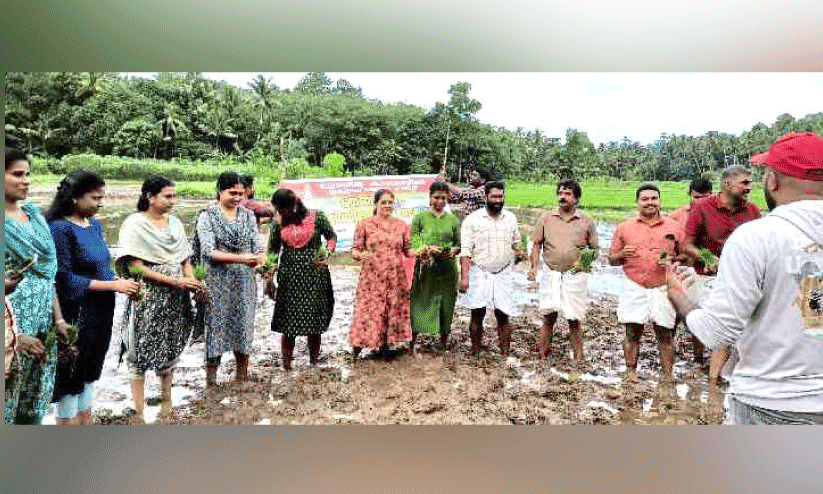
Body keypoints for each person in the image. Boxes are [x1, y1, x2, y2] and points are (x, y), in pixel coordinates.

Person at [667, 131, 823, 424]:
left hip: (769, 402)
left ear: (773, 180)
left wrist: (680, 298)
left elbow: (717, 332)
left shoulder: (756, 235)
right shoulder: (715, 214)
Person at [46, 170, 140, 425]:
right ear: (75, 198)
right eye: (95, 198)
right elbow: (63, 278)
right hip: (76, 309)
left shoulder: (95, 225)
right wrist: (112, 285)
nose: (100, 203)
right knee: (71, 372)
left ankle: (86, 421)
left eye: (102, 198)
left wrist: (122, 283)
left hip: (101, 308)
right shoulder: (60, 229)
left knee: (90, 369)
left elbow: (103, 266)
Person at [116, 176, 202, 422]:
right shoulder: (134, 225)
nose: (172, 201)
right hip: (148, 298)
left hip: (176, 299)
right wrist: (175, 281)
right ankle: (139, 410)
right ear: (149, 196)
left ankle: (166, 401)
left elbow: (185, 259)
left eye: (174, 196)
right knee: (139, 351)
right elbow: (136, 268)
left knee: (170, 345)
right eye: (167, 196)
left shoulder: (174, 224)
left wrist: (193, 283)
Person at [4, 149, 70, 424]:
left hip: (42, 321)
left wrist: (59, 319)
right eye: (17, 174)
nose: (25, 181)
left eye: (28, 174)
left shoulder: (35, 216)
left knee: (34, 402)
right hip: (10, 326)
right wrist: (12, 338)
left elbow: (47, 276)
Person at [682, 165, 761, 384]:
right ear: (727, 184)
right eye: (744, 183)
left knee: (730, 329)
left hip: (739, 277)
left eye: (750, 182)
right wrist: (708, 258)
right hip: (707, 275)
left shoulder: (752, 211)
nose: (749, 187)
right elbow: (687, 244)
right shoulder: (703, 208)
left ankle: (717, 378)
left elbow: (760, 245)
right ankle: (698, 362)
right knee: (703, 321)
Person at [197, 172, 264, 385]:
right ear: (219, 191)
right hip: (217, 281)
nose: (237, 197)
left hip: (245, 282)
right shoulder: (207, 216)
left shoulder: (247, 215)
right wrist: (243, 259)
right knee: (216, 327)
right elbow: (209, 252)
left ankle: (242, 375)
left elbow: (257, 246)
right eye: (232, 193)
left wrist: (262, 262)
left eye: (240, 193)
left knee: (244, 326)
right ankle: (211, 379)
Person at [608, 183, 680, 383]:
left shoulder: (674, 226)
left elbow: (685, 257)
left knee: (665, 333)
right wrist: (622, 254)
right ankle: (631, 372)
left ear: (659, 201)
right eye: (645, 199)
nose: (650, 202)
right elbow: (611, 260)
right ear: (637, 202)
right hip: (634, 285)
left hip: (663, 285)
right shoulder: (624, 227)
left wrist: (672, 260)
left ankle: (667, 375)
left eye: (653, 198)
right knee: (632, 331)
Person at [527, 179, 598, 371]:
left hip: (575, 275)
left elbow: (594, 250)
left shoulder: (586, 221)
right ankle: (542, 355)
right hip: (550, 272)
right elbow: (536, 244)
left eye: (567, 194)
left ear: (576, 199)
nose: (562, 197)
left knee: (574, 318)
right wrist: (533, 268)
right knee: (548, 315)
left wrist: (582, 264)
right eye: (560, 193)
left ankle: (578, 358)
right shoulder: (546, 218)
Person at [267, 188, 337, 370]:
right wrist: (269, 278)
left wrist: (327, 253)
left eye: (283, 210)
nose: (280, 214)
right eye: (278, 210)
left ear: (294, 206)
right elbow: (272, 253)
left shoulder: (317, 217)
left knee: (313, 320)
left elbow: (332, 237)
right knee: (288, 322)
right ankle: (287, 365)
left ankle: (313, 362)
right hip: (289, 277)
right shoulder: (277, 223)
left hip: (315, 275)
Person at [459, 181, 523, 358]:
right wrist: (464, 278)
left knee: (503, 314)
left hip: (503, 272)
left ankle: (505, 354)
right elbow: (465, 251)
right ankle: (476, 351)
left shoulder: (510, 218)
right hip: (480, 271)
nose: (497, 200)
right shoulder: (472, 220)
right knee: (477, 312)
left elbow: (516, 242)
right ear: (485, 197)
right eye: (494, 196)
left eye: (500, 196)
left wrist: (520, 251)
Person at [349, 189, 412, 359]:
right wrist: (359, 255)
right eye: (383, 202)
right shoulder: (365, 224)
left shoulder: (401, 225)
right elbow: (355, 249)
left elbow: (408, 250)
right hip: (372, 277)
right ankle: (357, 348)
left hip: (395, 276)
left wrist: (423, 251)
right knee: (368, 310)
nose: (387, 205)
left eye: (390, 202)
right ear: (375, 203)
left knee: (391, 308)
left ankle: (385, 346)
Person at [409, 181, 461, 355]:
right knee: (420, 300)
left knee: (447, 303)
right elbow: (414, 239)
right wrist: (424, 249)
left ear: (448, 199)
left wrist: (453, 250)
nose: (440, 201)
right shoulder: (420, 218)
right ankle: (413, 340)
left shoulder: (452, 219)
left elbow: (459, 244)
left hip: (447, 267)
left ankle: (444, 341)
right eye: (436, 197)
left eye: (443, 198)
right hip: (426, 266)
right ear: (430, 197)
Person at [666, 178, 712, 366]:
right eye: (696, 197)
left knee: (699, 316)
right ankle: (668, 352)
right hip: (679, 271)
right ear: (689, 195)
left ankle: (698, 359)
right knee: (673, 317)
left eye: (705, 197)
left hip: (703, 274)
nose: (700, 201)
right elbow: (665, 245)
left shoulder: (716, 216)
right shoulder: (676, 216)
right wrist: (669, 260)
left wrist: (708, 260)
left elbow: (716, 246)